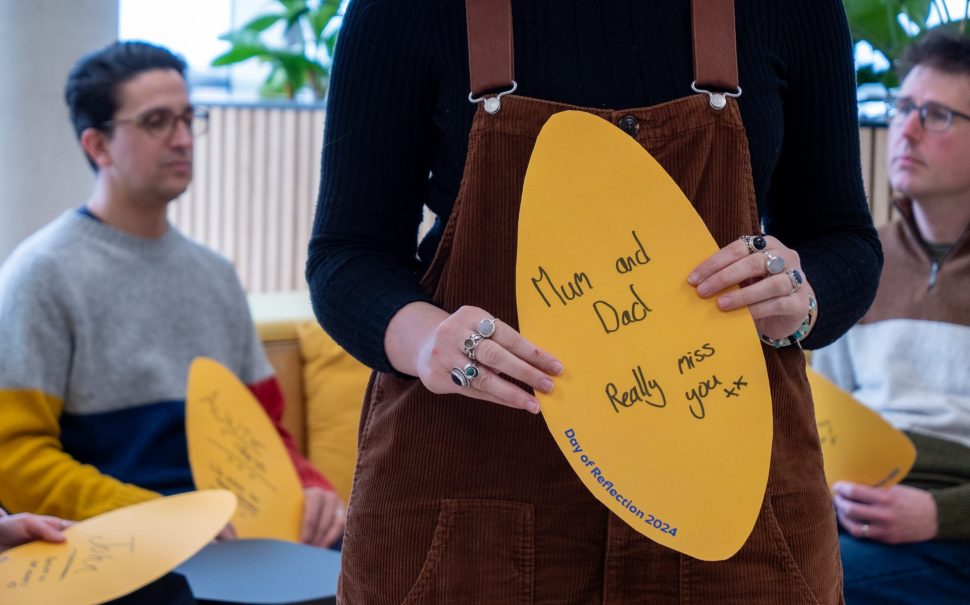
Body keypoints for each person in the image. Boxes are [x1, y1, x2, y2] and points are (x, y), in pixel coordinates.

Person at [307, 0, 882, 602]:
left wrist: (804, 294)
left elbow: (845, 239)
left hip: (728, 506)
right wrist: (426, 338)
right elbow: (345, 256)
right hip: (470, 500)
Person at [0, 41, 344, 549]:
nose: (183, 138)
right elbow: (15, 457)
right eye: (157, 121)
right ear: (97, 146)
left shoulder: (215, 274)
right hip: (117, 548)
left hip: (235, 540)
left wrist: (311, 489)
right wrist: (158, 520)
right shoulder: (41, 273)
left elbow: (263, 429)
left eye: (188, 117)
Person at [813, 29, 970, 604]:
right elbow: (819, 414)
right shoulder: (860, 265)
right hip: (850, 505)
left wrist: (941, 513)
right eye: (903, 107)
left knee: (829, 583)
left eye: (936, 115)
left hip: (949, 516)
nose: (904, 131)